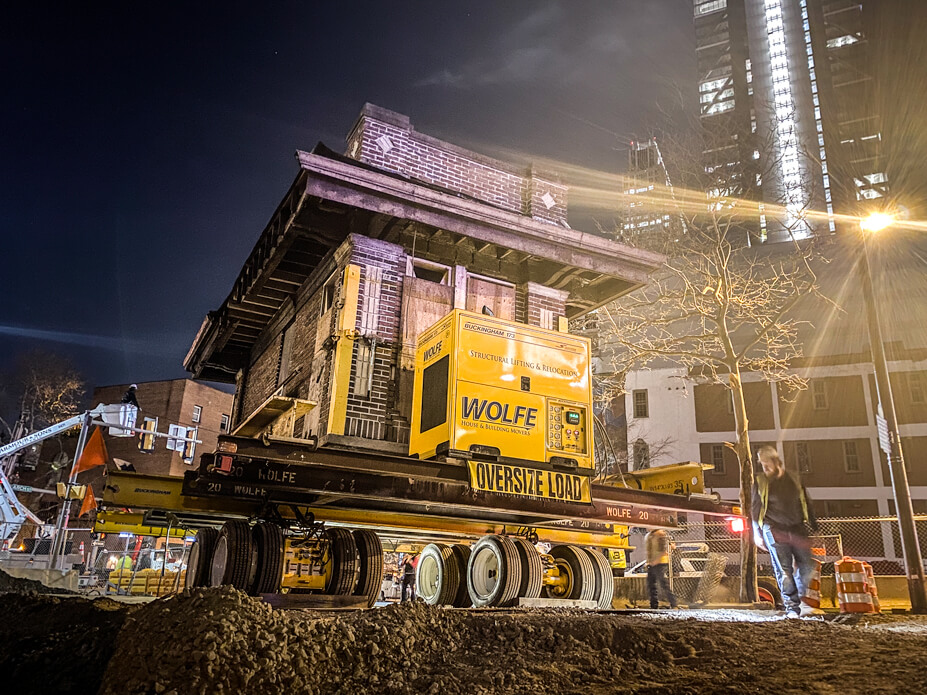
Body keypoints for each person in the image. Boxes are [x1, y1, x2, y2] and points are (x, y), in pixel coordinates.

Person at [752, 445, 822, 618]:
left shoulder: (794, 479)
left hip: (797, 527)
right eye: (762, 464)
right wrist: (756, 534)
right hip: (773, 529)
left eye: (767, 464)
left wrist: (814, 527)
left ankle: (800, 598)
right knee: (784, 570)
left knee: (807, 566)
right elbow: (754, 509)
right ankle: (792, 608)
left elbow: (806, 502)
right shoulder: (761, 482)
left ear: (776, 462)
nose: (764, 468)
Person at [645, 529, 677, 609]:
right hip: (653, 562)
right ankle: (654, 604)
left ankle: (673, 603)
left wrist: (656, 560)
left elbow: (663, 549)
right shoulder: (650, 535)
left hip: (660, 562)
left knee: (663, 584)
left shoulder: (659, 534)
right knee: (652, 584)